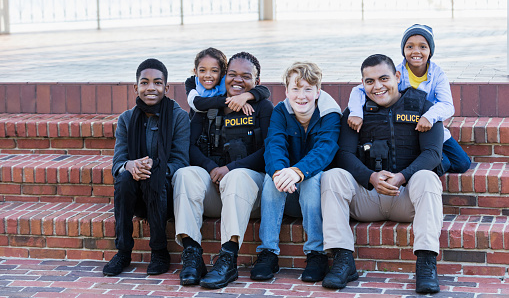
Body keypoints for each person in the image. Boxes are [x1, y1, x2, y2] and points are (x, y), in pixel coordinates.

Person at [321, 54, 443, 294]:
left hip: (405, 196)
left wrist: (402, 176)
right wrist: (370, 177)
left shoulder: (423, 107)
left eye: (384, 78)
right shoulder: (356, 112)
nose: (377, 87)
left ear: (397, 77)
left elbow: (432, 154)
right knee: (332, 176)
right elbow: (343, 154)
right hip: (367, 197)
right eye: (369, 81)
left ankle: (426, 263)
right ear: (362, 83)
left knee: (428, 177)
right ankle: (343, 260)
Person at [172, 52, 274, 289]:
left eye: (246, 76)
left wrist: (230, 168)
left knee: (237, 177)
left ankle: (228, 258)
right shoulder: (207, 107)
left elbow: (269, 152)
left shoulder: (264, 107)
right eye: (232, 74)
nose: (237, 80)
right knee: (183, 175)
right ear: (224, 76)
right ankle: (192, 254)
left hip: (249, 191)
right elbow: (189, 147)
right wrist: (211, 168)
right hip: (214, 185)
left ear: (256, 82)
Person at [250, 62, 342, 283]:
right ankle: (268, 253)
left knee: (312, 180)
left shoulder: (330, 114)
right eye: (296, 89)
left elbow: (325, 150)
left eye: (308, 89)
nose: (302, 96)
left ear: (318, 92)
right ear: (287, 91)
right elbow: (274, 144)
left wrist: (298, 171)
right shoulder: (281, 111)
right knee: (271, 179)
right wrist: (280, 173)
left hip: (315, 185)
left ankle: (316, 254)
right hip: (287, 185)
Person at [103, 58, 190, 276]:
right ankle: (123, 251)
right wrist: (129, 165)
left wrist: (157, 168)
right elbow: (117, 163)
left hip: (166, 195)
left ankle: (160, 251)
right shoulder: (126, 119)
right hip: (136, 195)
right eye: (144, 82)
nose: (151, 87)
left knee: (156, 177)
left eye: (157, 83)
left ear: (166, 88)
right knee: (123, 178)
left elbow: (181, 161)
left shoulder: (179, 117)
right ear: (136, 87)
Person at [347, 24, 470, 174]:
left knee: (462, 163)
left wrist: (429, 116)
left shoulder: (437, 74)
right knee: (436, 160)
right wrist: (356, 112)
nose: (416, 51)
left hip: (428, 125)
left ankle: (434, 160)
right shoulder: (396, 73)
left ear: (430, 50)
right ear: (403, 50)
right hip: (405, 126)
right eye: (410, 46)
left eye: (423, 47)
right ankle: (428, 162)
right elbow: (359, 90)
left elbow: (447, 105)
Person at [185, 47, 270, 118]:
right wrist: (231, 101)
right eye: (202, 70)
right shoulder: (192, 83)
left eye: (214, 71)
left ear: (222, 73)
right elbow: (196, 103)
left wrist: (244, 97)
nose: (208, 75)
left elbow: (265, 91)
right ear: (195, 71)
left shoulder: (225, 83)